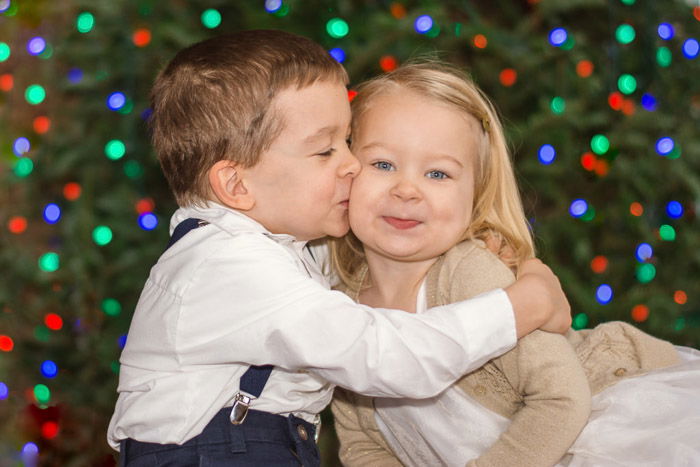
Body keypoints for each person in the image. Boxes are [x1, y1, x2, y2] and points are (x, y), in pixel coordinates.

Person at [106, 30, 572, 466]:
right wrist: (517, 305)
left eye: (348, 142)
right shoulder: (230, 267)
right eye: (326, 150)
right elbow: (385, 355)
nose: (353, 165)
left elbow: (365, 258)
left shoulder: (283, 249)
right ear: (236, 183)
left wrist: (503, 252)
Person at [330, 62, 700, 466]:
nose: (406, 189)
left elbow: (562, 399)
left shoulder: (467, 273)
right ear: (346, 168)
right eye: (383, 164)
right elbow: (365, 445)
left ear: (475, 193)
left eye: (438, 173)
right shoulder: (340, 308)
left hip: (604, 417)